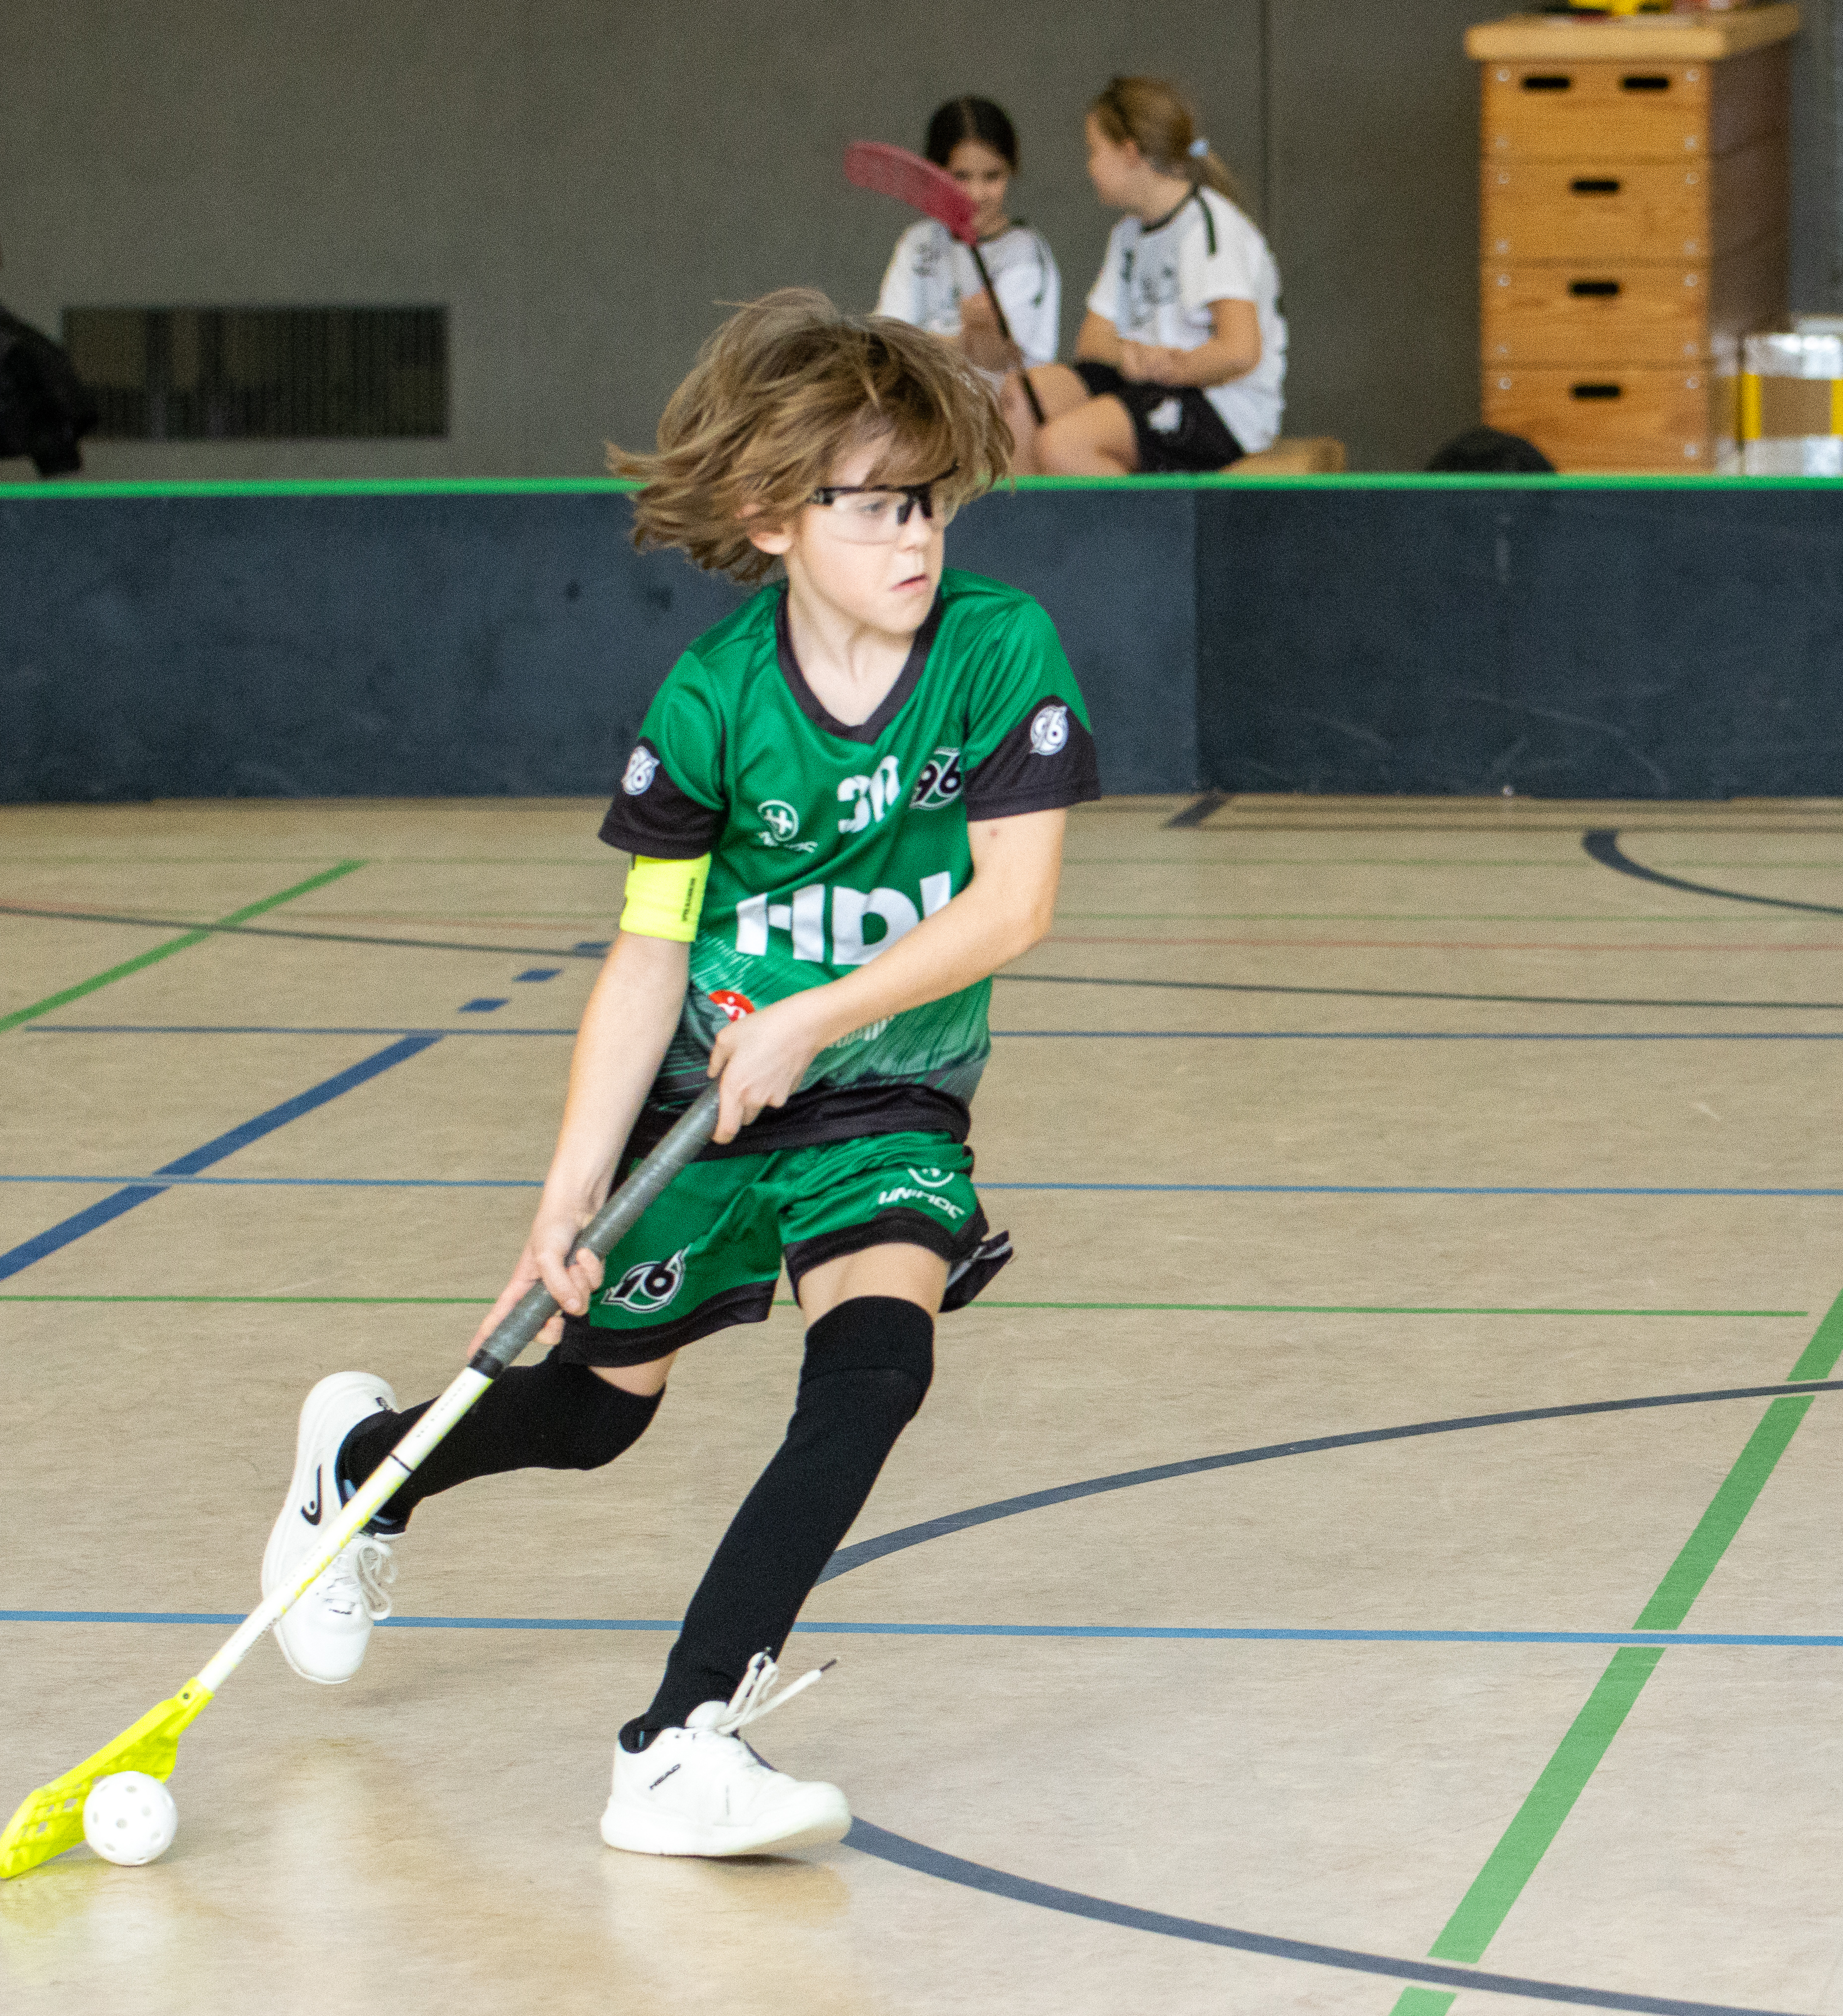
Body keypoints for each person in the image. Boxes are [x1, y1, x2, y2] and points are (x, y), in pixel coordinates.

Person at [255, 290, 1100, 1856]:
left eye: (933, 498)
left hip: (886, 1089)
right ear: (778, 515)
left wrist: (817, 1013)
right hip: (705, 1100)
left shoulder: (998, 651)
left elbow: (1013, 905)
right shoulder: (711, 704)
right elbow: (647, 959)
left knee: (878, 1364)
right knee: (593, 1413)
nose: (918, 535)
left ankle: (677, 1736)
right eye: (875, 504)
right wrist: (564, 1194)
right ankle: (363, 1468)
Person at [1003, 77, 1286, 477]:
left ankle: (1145, 536)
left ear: (1130, 153)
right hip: (1147, 382)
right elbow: (1092, 342)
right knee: (1021, 398)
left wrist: (1168, 367)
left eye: (1093, 152)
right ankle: (1029, 535)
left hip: (1218, 403)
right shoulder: (1128, 234)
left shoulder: (1210, 226)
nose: (1089, 167)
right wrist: (1135, 359)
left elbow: (1239, 350)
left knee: (1062, 446)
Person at [873, 95, 1061, 380]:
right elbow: (885, 344)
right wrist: (960, 340)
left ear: (1011, 171)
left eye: (992, 177)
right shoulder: (918, 243)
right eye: (961, 176)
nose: (976, 194)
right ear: (935, 174)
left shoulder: (1026, 253)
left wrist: (981, 333)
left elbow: (1000, 359)